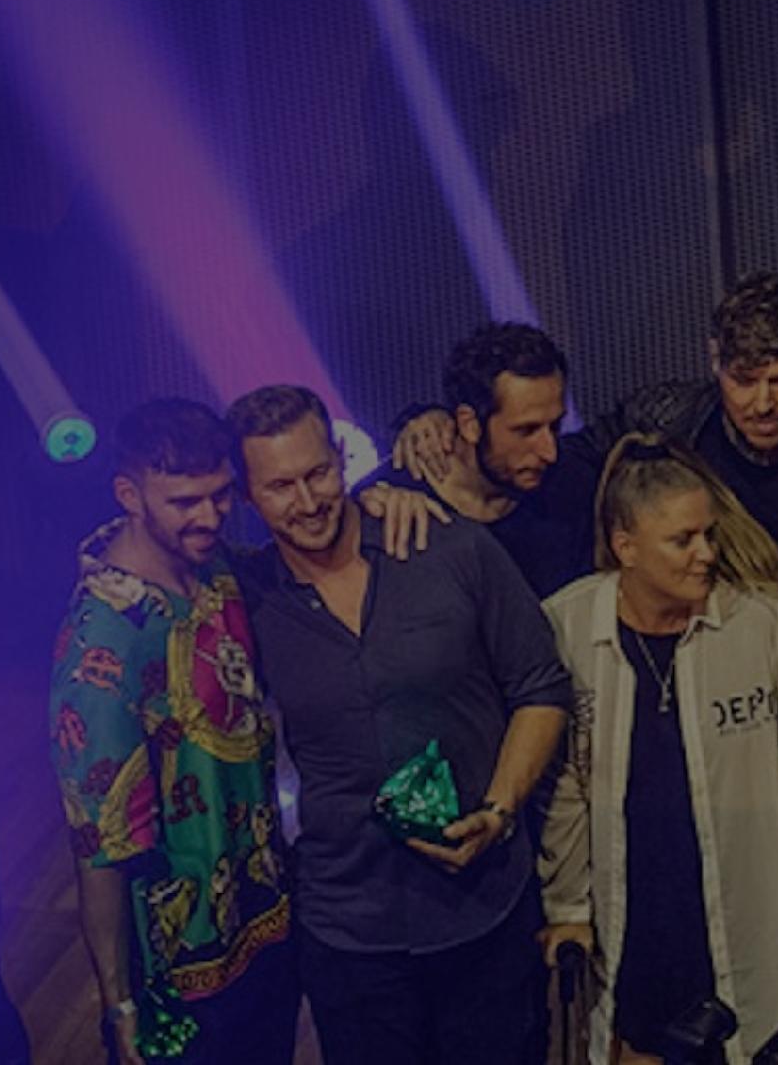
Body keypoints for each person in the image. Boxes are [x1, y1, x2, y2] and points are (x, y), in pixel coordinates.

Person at [393, 274, 778, 779]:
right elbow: (550, 463)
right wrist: (427, 426)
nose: (763, 404)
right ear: (714, 360)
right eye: (743, 380)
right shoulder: (664, 419)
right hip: (684, 695)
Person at [229, 384, 570, 1064]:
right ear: (247, 496)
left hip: (485, 909)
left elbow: (541, 687)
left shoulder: (449, 546)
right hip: (347, 931)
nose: (308, 501)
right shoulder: (244, 596)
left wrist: (499, 811)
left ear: (342, 457)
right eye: (280, 487)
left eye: (319, 472)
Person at [536, 435, 778, 1061]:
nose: (707, 553)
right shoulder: (567, 625)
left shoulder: (763, 620)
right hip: (644, 898)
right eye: (683, 540)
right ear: (626, 546)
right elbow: (565, 782)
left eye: (709, 534)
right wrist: (567, 904)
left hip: (745, 889)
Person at [50, 399, 298, 1063]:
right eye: (185, 501)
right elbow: (99, 845)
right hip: (177, 976)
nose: (210, 517)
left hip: (264, 921)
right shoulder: (102, 644)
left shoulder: (215, 568)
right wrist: (120, 1004)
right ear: (129, 495)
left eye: (220, 495)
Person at [389, 321, 603, 595]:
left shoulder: (573, 482)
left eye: (555, 426)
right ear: (470, 425)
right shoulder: (394, 510)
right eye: (526, 430)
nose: (549, 452)